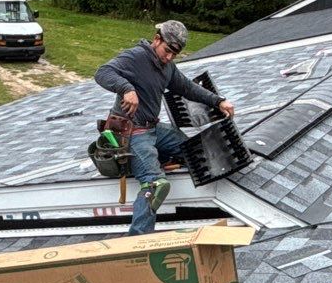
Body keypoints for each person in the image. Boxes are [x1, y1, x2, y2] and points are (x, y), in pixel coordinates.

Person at [93, 20, 236, 236]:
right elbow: (102, 72)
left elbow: (187, 88)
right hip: (132, 133)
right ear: (156, 39)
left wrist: (218, 101)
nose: (168, 57)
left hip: (152, 129)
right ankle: (137, 240)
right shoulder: (136, 57)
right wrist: (126, 88)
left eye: (173, 55)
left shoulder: (166, 67)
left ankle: (158, 159)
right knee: (156, 185)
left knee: (193, 149)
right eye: (166, 51)